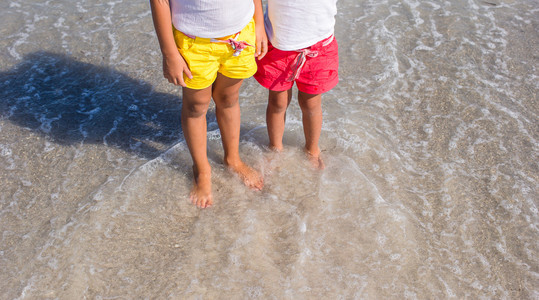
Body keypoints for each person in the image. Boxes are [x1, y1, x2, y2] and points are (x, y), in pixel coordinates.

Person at [150, 0, 268, 208]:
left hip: (240, 37)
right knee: (196, 106)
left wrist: (259, 23)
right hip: (194, 43)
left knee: (228, 99)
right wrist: (169, 53)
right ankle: (202, 169)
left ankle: (233, 159)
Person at [254, 0, 339, 169]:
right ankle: (275, 147)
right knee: (278, 102)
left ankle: (312, 149)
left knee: (311, 104)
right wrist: (257, 25)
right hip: (278, 43)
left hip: (319, 45)